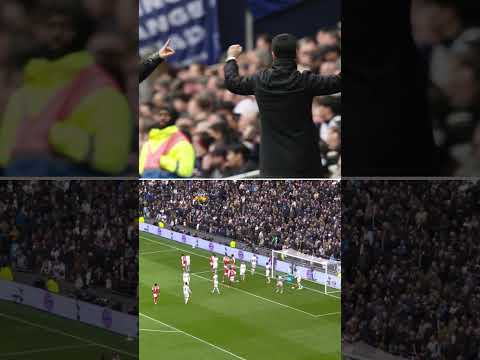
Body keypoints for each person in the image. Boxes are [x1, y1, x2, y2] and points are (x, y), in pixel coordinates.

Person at [0, 0, 131, 176]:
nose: (55, 34)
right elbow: (5, 154)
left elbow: (114, 160)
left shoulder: (101, 88)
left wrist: (70, 140)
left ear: (81, 32)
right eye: (48, 26)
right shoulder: (25, 90)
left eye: (64, 27)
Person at [224, 33, 341, 178]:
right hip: (305, 162)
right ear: (296, 54)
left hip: (273, 164)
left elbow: (232, 82)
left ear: (273, 54)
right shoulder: (305, 81)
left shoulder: (260, 80)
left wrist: (231, 58)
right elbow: (338, 82)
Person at [139, 106, 195, 178]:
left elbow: (186, 171)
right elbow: (141, 170)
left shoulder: (182, 142)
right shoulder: (148, 143)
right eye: (160, 115)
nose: (162, 118)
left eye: (166, 115)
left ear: (173, 118)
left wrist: (163, 161)